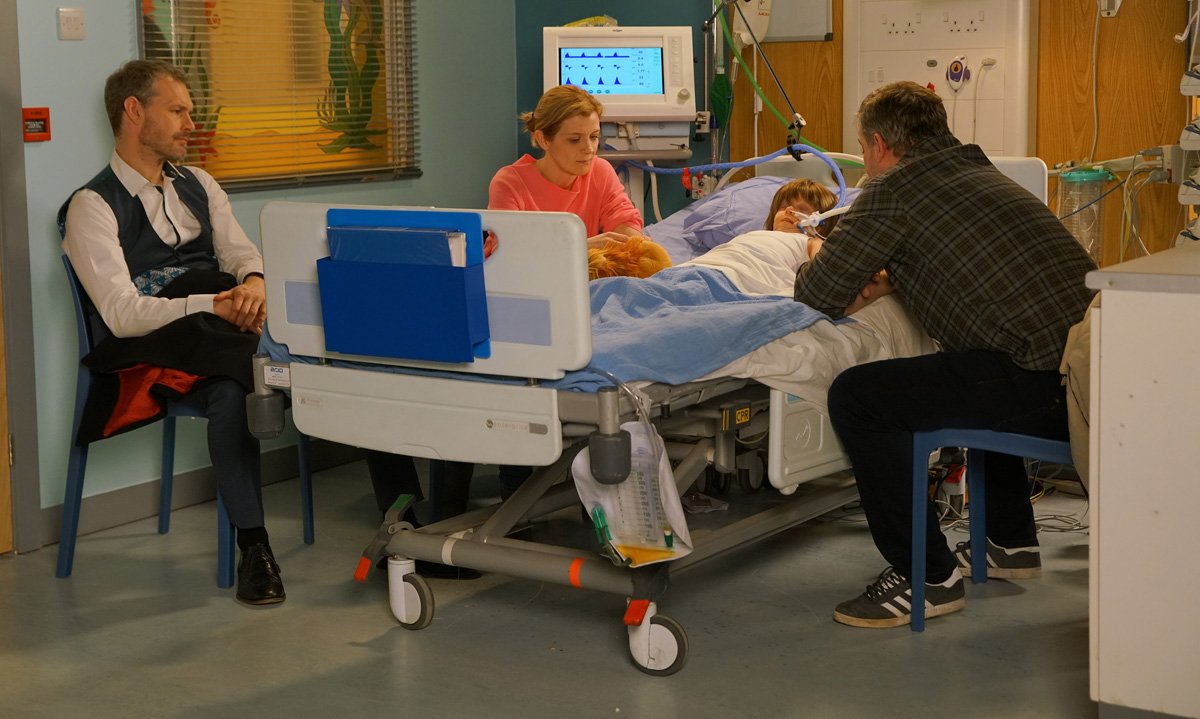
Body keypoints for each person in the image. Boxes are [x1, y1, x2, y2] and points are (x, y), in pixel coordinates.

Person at [793, 81, 1097, 629]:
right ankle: (1009, 541)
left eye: (863, 150)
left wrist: (817, 249)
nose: (865, 161)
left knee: (860, 398)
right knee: (984, 358)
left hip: (1048, 391)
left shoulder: (894, 190)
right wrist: (894, 278)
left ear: (880, 145)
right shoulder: (981, 175)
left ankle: (925, 577)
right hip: (1090, 375)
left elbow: (816, 293)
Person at [60, 60, 284, 606]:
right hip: (150, 344)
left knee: (231, 392)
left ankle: (255, 547)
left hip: (219, 341)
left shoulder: (200, 184)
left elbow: (241, 254)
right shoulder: (92, 206)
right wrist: (217, 302)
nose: (191, 124)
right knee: (255, 357)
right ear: (135, 112)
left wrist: (252, 283)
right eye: (178, 111)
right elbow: (120, 313)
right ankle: (278, 369)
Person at [488, 84, 644, 248]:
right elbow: (510, 253)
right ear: (544, 140)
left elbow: (624, 220)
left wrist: (633, 243)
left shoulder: (600, 171)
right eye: (575, 140)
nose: (589, 149)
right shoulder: (508, 184)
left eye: (594, 137)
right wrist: (583, 247)